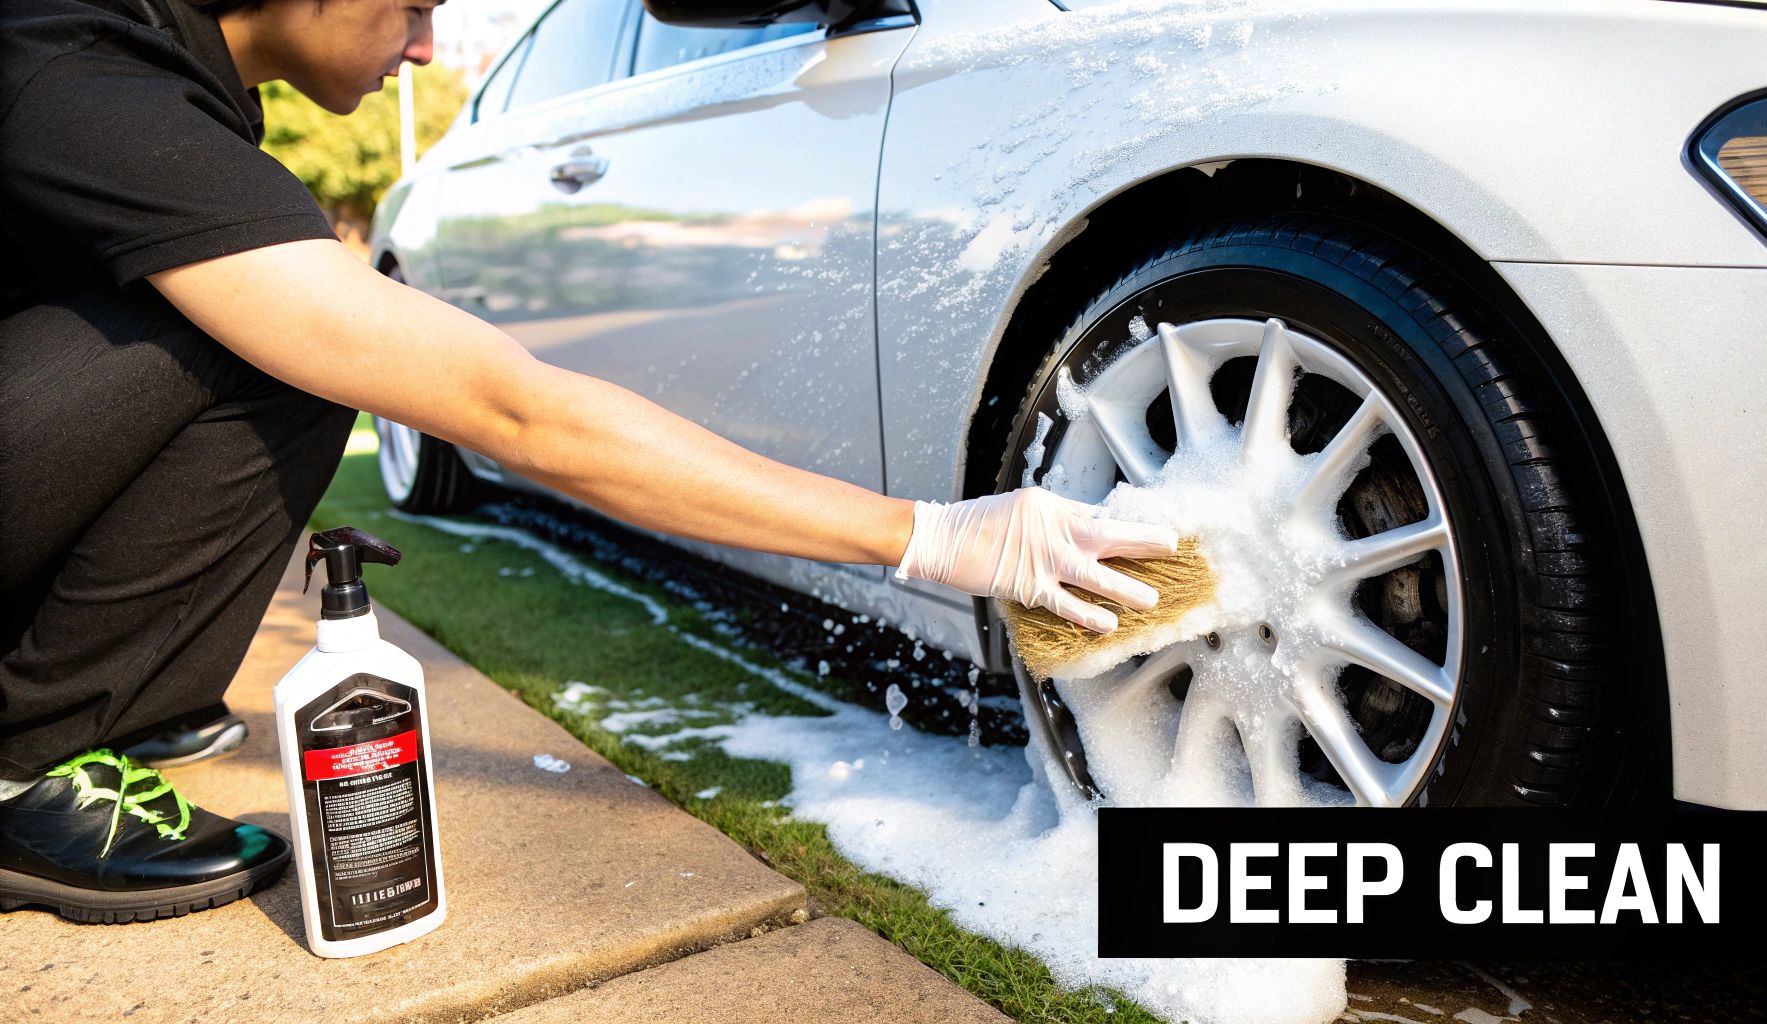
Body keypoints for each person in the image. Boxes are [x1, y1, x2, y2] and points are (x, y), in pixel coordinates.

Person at [0, 0, 1178, 924]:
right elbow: (511, 410)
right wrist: (928, 535)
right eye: (413, 7)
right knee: (281, 341)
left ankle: (98, 703)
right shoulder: (76, 68)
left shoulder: (154, 80)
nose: (421, 50)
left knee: (290, 340)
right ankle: (23, 770)